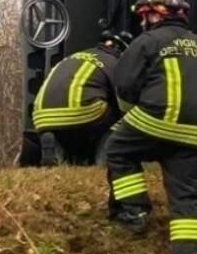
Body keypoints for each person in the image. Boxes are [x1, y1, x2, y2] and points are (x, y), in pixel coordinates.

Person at [105, 0, 197, 254]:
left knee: (118, 151)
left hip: (155, 121)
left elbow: (124, 85)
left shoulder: (147, 42)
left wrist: (130, 114)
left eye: (145, 16)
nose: (143, 22)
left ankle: (133, 213)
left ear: (156, 14)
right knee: (187, 197)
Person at [32, 31, 127, 165]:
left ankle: (54, 149)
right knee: (126, 115)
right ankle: (104, 158)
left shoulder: (73, 57)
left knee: (67, 125)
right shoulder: (115, 62)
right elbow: (124, 96)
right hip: (81, 114)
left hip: (41, 116)